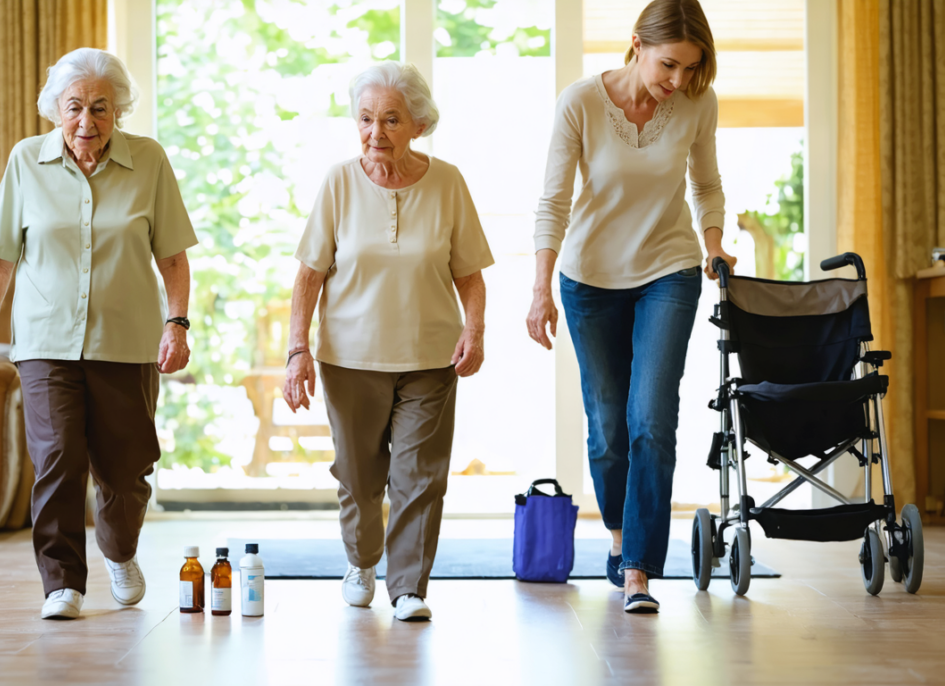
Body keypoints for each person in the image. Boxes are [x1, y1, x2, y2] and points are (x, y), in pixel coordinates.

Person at [0, 48, 197, 620]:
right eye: (74, 107)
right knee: (56, 459)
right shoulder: (26, 161)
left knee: (127, 468)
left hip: (125, 341)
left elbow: (172, 256)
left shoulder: (149, 161)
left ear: (118, 110)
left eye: (100, 107)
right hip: (46, 341)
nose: (87, 121)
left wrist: (177, 323)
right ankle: (62, 583)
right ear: (55, 110)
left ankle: (120, 551)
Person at [526, 0, 735, 614]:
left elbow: (706, 183)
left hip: (668, 271)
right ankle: (620, 538)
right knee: (608, 428)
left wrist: (714, 241)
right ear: (637, 43)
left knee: (650, 418)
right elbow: (553, 201)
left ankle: (639, 569)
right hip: (588, 279)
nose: (677, 81)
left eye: (690, 69)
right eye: (669, 64)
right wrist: (540, 287)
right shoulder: (581, 103)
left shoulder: (698, 101)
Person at [282, 61, 493, 622]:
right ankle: (362, 560)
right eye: (366, 119)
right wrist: (297, 350)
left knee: (420, 475)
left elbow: (469, 274)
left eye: (391, 120)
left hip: (431, 356)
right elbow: (308, 275)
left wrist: (474, 330)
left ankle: (408, 587)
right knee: (358, 474)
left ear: (418, 125)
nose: (375, 133)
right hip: (349, 358)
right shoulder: (339, 182)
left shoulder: (447, 182)